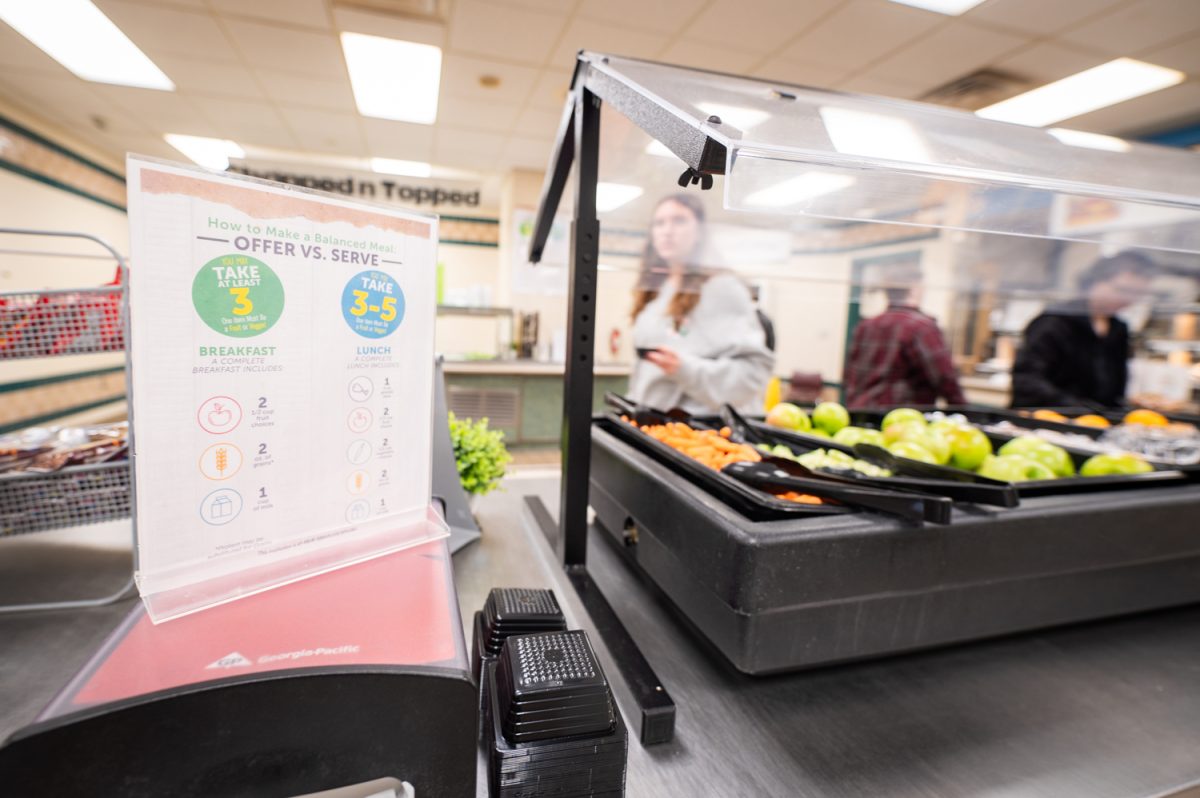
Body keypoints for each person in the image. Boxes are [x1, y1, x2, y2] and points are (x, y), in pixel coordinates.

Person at [627, 193, 774, 415]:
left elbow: (751, 375)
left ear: (699, 231)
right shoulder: (657, 291)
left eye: (679, 220)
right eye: (659, 223)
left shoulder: (722, 289)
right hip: (654, 425)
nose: (667, 230)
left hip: (702, 432)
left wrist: (684, 368)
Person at [1011, 251, 1155, 408]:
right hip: (1046, 418)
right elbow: (1026, 381)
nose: (1128, 300)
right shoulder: (1055, 321)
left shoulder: (1119, 328)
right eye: (1122, 290)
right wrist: (1081, 408)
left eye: (1137, 294)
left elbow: (1115, 385)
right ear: (1095, 282)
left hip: (1096, 424)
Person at [842, 262, 965, 408]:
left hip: (860, 413)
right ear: (914, 288)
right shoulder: (922, 327)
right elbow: (945, 379)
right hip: (900, 421)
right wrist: (965, 412)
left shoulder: (865, 326)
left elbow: (850, 376)